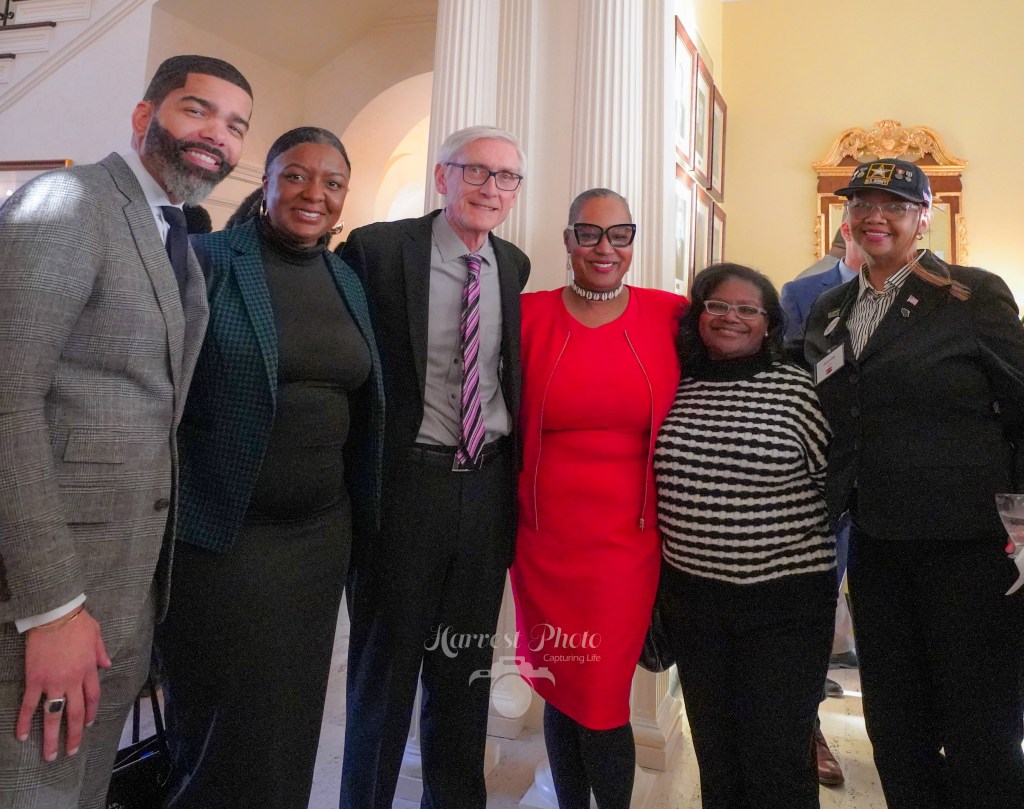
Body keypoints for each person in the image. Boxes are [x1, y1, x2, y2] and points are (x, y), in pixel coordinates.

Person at [0, 55, 251, 808]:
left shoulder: (170, 230)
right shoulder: (71, 202)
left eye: (235, 126)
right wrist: (51, 608)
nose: (217, 135)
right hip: (46, 602)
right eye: (197, 110)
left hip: (123, 598)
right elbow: (8, 398)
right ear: (145, 117)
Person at [154, 127, 383, 809]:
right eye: (297, 175)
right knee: (220, 725)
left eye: (333, 183)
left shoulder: (346, 279)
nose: (315, 194)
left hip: (318, 539)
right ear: (267, 181)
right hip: (224, 535)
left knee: (291, 719)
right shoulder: (207, 260)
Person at [804, 159, 1024, 809]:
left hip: (970, 547)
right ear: (846, 216)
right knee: (896, 722)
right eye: (862, 203)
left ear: (923, 217)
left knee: (980, 721)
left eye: (895, 205)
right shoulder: (830, 310)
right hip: (876, 544)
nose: (875, 216)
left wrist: (1020, 531)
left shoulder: (971, 295)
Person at [338, 125, 531, 809]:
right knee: (383, 678)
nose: (491, 187)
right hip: (404, 489)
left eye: (506, 177)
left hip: (485, 491)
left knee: (465, 673)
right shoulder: (377, 250)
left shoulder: (514, 265)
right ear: (443, 176)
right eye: (475, 171)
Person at [511, 188, 684, 808]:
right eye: (588, 233)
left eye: (619, 234)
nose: (604, 248)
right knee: (562, 688)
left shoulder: (670, 316)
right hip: (543, 542)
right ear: (568, 240)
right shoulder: (526, 316)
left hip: (628, 544)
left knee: (604, 696)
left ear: (634, 241)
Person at [655, 263, 836, 809]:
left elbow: (835, 485)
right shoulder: (675, 383)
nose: (730, 317)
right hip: (693, 604)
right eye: (717, 305)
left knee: (777, 761)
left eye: (747, 309)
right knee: (716, 754)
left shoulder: (799, 390)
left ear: (769, 322)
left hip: (785, 608)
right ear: (698, 314)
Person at [780, 218, 865, 787]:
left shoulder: (932, 293)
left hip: (891, 483)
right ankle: (805, 727)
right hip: (821, 482)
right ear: (845, 227)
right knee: (815, 605)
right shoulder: (802, 294)